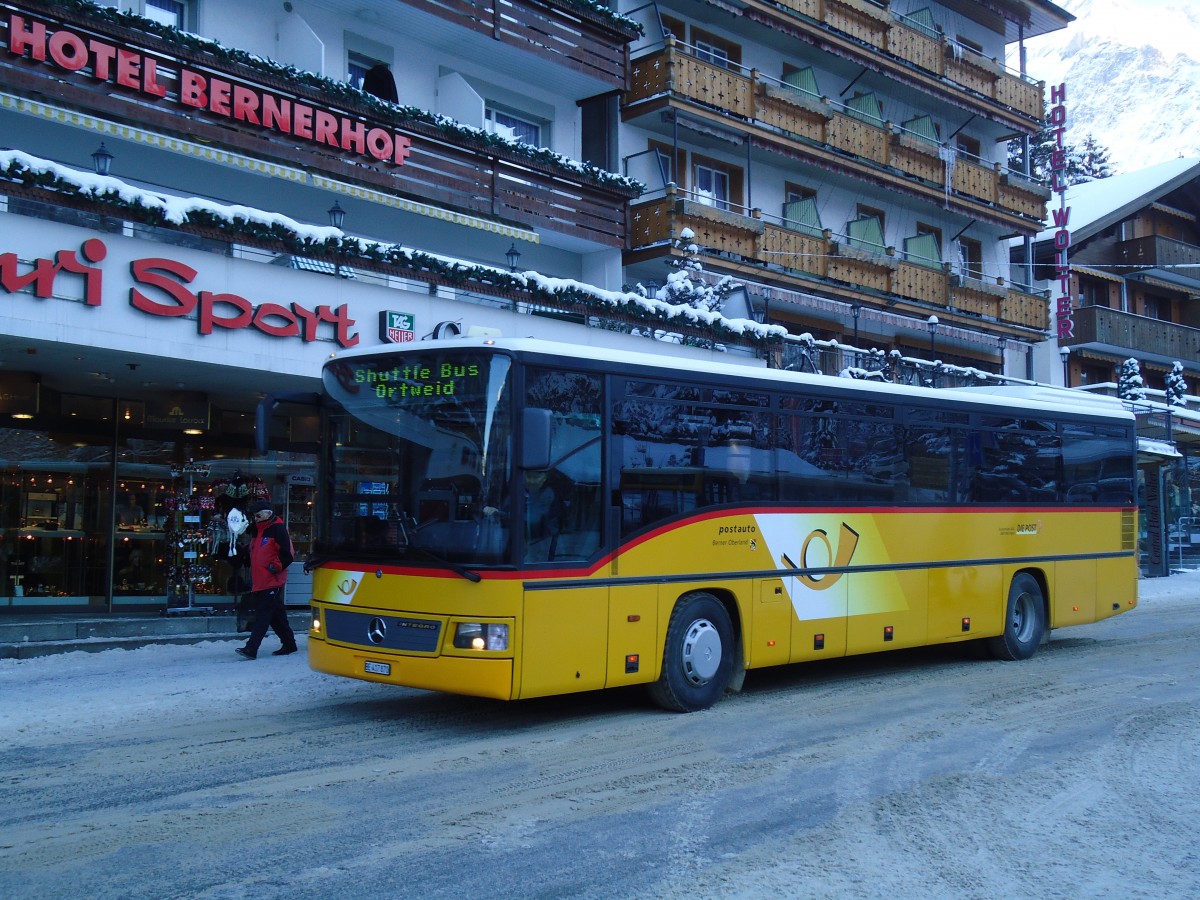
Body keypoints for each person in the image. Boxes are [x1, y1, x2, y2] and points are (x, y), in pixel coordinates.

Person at [235, 499, 298, 660]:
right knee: (276, 615)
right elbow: (256, 552)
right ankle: (289, 643)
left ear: (267, 514)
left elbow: (288, 554)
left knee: (263, 615)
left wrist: (275, 567)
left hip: (272, 579)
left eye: (257, 516)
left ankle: (252, 648)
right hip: (262, 580)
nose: (255, 519)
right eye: (254, 516)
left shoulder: (278, 529)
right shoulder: (258, 529)